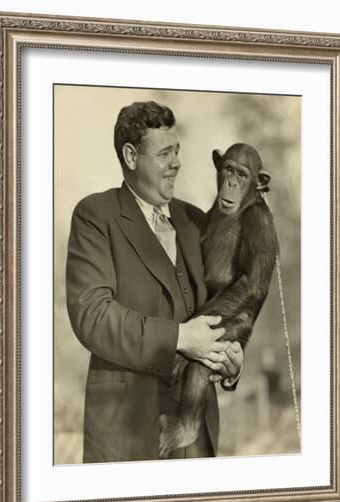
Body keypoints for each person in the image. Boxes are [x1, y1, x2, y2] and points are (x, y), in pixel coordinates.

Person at [66, 100, 243, 463]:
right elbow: (93, 318)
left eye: (177, 150)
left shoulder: (195, 220)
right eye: (165, 153)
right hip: (127, 436)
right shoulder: (95, 215)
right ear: (131, 156)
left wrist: (231, 358)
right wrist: (181, 338)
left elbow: (220, 309)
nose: (177, 162)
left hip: (196, 434)